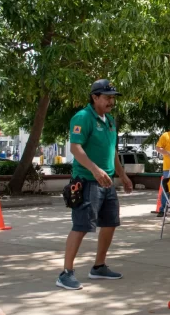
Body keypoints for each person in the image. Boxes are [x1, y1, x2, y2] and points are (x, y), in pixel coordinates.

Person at [57, 79, 133, 291]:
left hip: (107, 182)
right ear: (95, 97)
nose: (111, 101)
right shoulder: (82, 117)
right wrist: (94, 169)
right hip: (88, 181)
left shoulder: (109, 120)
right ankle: (66, 273)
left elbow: (112, 152)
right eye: (107, 97)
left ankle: (99, 266)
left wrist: (123, 175)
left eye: (113, 98)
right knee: (81, 226)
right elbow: (76, 148)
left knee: (110, 223)